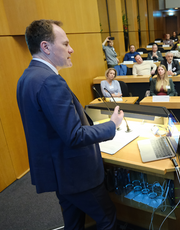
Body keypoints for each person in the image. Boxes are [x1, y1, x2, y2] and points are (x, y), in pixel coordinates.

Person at [17, 19, 124, 230]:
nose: (71, 49)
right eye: (65, 44)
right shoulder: (50, 81)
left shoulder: (27, 77)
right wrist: (112, 125)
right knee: (107, 218)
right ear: (45, 47)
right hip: (76, 174)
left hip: (59, 172)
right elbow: (74, 135)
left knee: (73, 223)